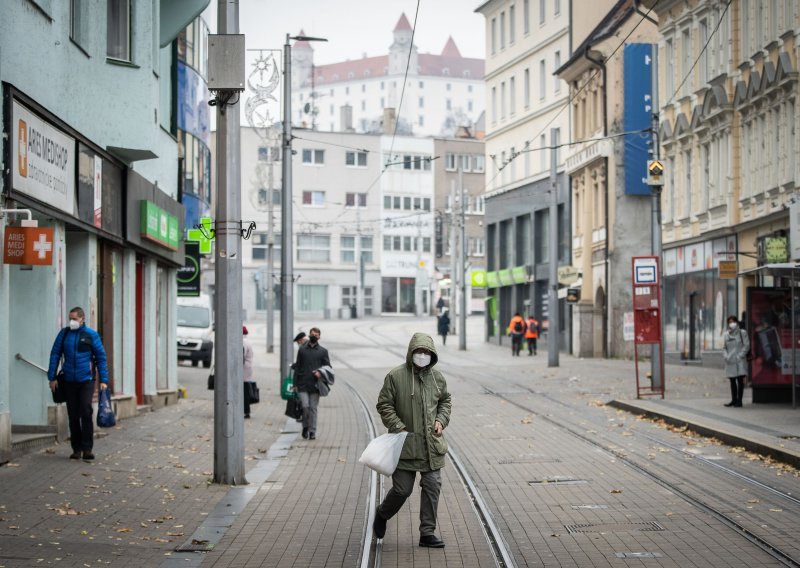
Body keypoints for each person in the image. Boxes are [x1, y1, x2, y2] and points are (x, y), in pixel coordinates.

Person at [373, 332, 451, 548]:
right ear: (411, 353)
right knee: (402, 490)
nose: (423, 355)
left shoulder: (437, 378)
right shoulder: (396, 376)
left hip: (431, 445)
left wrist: (441, 420)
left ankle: (427, 533)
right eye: (419, 351)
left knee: (432, 485)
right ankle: (382, 513)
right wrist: (398, 426)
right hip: (405, 445)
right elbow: (384, 404)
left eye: (427, 352)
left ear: (432, 354)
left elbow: (445, 401)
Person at [47, 307, 109, 460]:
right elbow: (55, 353)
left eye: (74, 319)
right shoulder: (64, 333)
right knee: (73, 415)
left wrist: (104, 380)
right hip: (68, 380)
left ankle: (87, 449)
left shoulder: (91, 335)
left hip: (86, 380)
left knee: (86, 412)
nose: (71, 321)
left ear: (82, 319)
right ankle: (76, 449)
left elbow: (101, 357)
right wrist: (52, 377)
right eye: (70, 318)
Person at [293, 327, 330, 440]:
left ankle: (312, 431)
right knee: (305, 406)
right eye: (312, 334)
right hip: (303, 384)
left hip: (315, 385)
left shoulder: (323, 351)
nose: (314, 336)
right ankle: (305, 427)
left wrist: (321, 373)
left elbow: (328, 368)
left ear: (319, 337)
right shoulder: (302, 350)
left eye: (316, 335)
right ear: (309, 335)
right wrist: (295, 384)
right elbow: (298, 367)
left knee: (313, 408)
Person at [723, 315, 749, 408]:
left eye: (733, 321)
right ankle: (734, 400)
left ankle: (739, 401)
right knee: (732, 381)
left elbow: (746, 346)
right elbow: (724, 347)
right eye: (729, 322)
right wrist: (726, 356)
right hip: (730, 361)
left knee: (740, 381)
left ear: (737, 322)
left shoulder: (742, 333)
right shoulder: (726, 334)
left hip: (739, 360)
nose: (731, 324)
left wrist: (740, 356)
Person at [243, 326, 254, 419]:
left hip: (243, 370)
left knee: (244, 391)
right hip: (247, 368)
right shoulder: (247, 341)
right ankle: (246, 411)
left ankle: (246, 411)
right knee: (245, 389)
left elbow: (242, 356)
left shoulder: (243, 342)